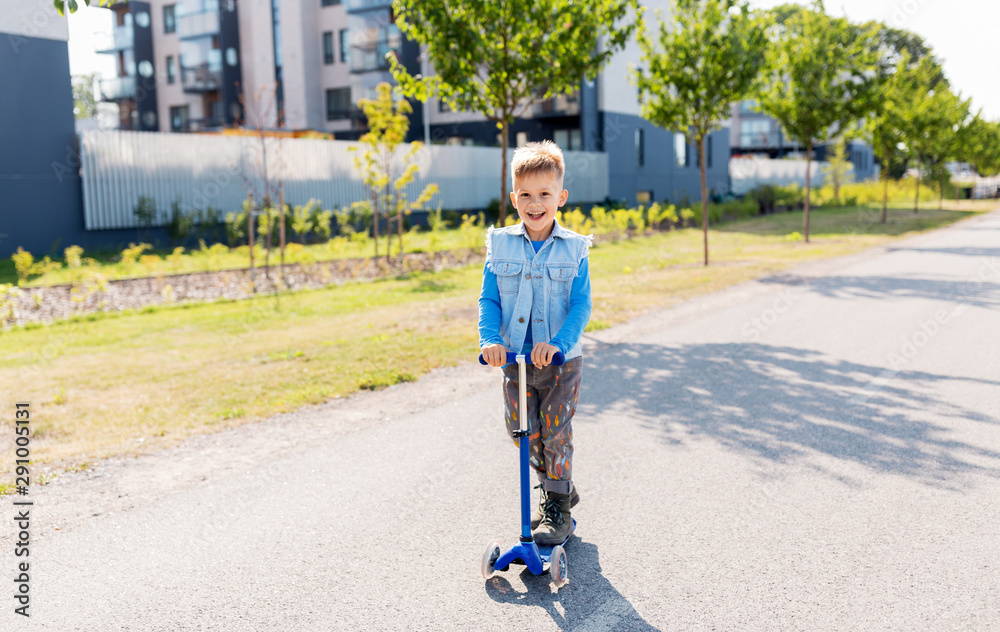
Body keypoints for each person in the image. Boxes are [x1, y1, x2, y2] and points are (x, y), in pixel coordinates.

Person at [479, 140, 593, 545]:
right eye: (525, 194)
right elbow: (489, 299)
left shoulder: (575, 248)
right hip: (516, 361)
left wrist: (559, 342)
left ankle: (557, 508)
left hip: (561, 365)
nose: (535, 203)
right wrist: (490, 339)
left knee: (555, 432)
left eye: (545, 194)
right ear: (514, 198)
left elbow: (581, 305)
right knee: (521, 433)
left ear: (560, 197)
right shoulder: (500, 244)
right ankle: (559, 484)